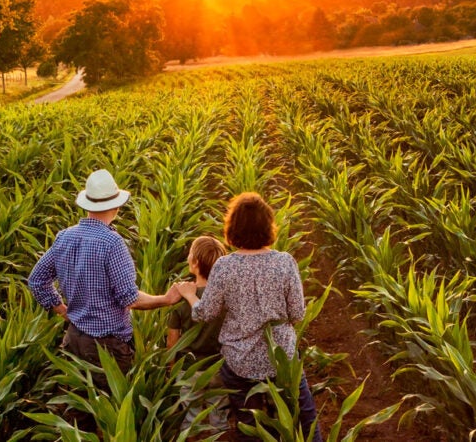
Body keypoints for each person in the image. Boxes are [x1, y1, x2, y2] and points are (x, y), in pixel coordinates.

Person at [176, 192, 323, 442]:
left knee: (249, 425)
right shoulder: (285, 263)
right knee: (303, 418)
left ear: (232, 228)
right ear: (268, 226)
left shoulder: (224, 267)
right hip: (281, 359)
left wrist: (190, 295)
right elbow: (297, 313)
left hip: (239, 362)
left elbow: (205, 313)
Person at [28, 169, 181, 388]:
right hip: (106, 347)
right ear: (116, 207)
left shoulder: (65, 236)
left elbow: (36, 280)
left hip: (73, 339)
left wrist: (62, 310)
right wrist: (166, 299)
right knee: (108, 412)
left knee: (77, 411)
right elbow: (131, 299)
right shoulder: (112, 243)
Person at [167, 235, 229, 431]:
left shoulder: (181, 298)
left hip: (190, 369)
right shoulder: (225, 296)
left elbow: (172, 342)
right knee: (219, 416)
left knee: (190, 419)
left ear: (194, 263)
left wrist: (172, 369)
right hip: (220, 367)